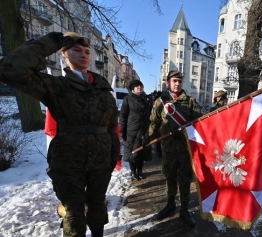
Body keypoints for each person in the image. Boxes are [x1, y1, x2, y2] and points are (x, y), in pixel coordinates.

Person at [0, 32, 120, 237]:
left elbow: (111, 129)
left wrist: (112, 158)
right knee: (73, 212)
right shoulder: (57, 86)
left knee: (97, 206)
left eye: (87, 52)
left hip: (100, 160)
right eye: (76, 50)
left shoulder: (103, 90)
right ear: (64, 53)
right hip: (68, 160)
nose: (83, 55)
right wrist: (51, 42)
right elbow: (11, 69)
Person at [143, 70, 202, 227]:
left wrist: (184, 129)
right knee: (170, 177)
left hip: (185, 150)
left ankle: (184, 209)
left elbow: (200, 124)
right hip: (168, 149)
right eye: (174, 81)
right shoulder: (160, 102)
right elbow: (154, 123)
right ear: (167, 83)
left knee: (184, 180)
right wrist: (146, 138)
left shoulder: (190, 102)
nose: (177, 83)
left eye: (180, 81)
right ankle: (170, 204)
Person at [119, 79, 151, 181]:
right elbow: (123, 116)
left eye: (141, 86)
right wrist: (122, 130)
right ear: (132, 88)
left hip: (144, 130)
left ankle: (139, 171)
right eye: (137, 86)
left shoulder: (147, 99)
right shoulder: (127, 99)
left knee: (141, 152)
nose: (139, 88)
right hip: (131, 131)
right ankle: (133, 172)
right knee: (132, 153)